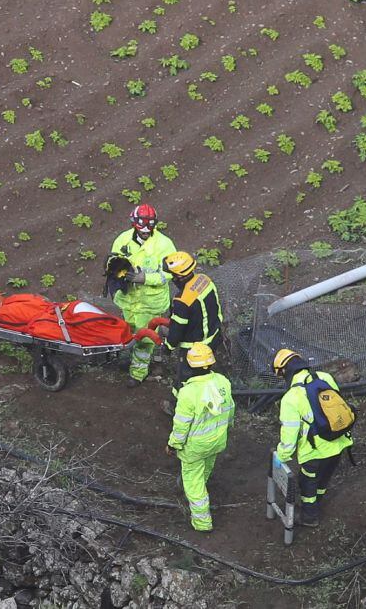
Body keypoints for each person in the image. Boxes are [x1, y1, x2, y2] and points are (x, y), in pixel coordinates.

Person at [272, 349, 353, 528]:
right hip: (339, 442)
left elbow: (289, 434)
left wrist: (282, 456)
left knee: (307, 482)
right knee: (323, 479)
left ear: (284, 371)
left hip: (315, 451)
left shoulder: (290, 398)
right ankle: (317, 502)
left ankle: (310, 516)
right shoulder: (325, 377)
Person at [165, 343, 235, 532]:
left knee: (193, 482)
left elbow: (181, 425)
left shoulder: (188, 392)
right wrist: (227, 428)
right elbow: (230, 411)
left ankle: (202, 523)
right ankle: (198, 491)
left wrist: (173, 445)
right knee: (205, 470)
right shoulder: (223, 382)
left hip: (195, 447)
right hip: (218, 441)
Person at [108, 204, 177, 387]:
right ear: (134, 225)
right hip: (129, 300)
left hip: (150, 303)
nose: (145, 232)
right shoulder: (122, 240)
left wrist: (145, 278)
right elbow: (112, 262)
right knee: (130, 332)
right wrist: (118, 275)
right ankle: (136, 357)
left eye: (149, 229)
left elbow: (169, 273)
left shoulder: (164, 245)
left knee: (145, 339)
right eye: (142, 229)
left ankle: (137, 373)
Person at [163, 251, 223, 387]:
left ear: (179, 276)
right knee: (206, 374)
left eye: (173, 275)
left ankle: (176, 405)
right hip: (214, 336)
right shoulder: (204, 280)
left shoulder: (182, 300)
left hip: (193, 348)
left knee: (186, 380)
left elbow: (177, 330)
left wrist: (168, 347)